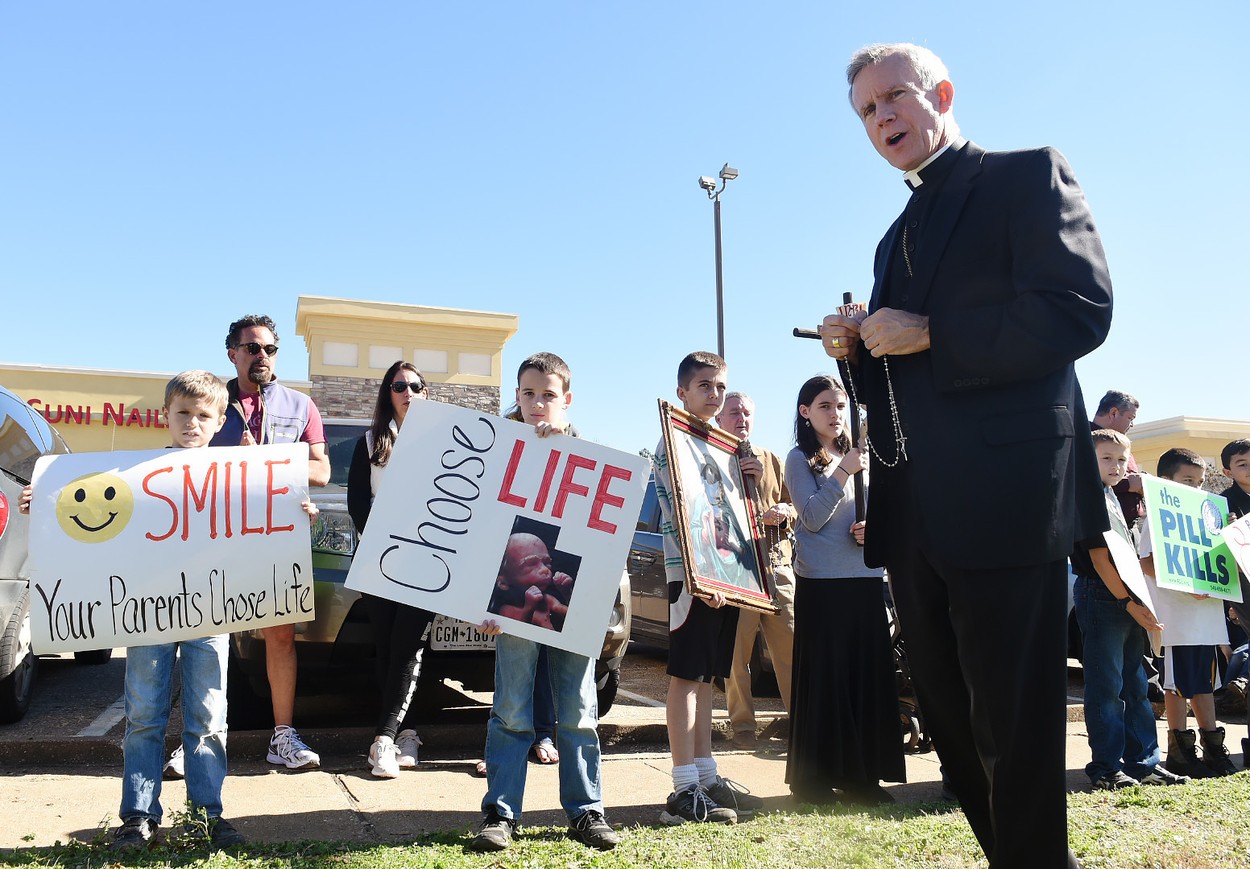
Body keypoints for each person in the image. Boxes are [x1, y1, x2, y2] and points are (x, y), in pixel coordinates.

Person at [820, 43, 1112, 868]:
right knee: (950, 727)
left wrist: (932, 332)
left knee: (1014, 730)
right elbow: (902, 388)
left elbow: (1080, 309)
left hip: (1010, 502)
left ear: (941, 93)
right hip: (914, 517)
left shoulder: (1025, 176)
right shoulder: (892, 237)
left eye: (893, 98)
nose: (882, 120)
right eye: (867, 113)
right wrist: (857, 351)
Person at [20, 372, 312, 850]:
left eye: (203, 416)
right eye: (183, 413)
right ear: (165, 415)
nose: (192, 423)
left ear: (219, 421)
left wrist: (296, 514)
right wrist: (46, 504)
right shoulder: (132, 474)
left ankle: (207, 815)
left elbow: (267, 521)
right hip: (147, 613)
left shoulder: (235, 478)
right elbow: (87, 515)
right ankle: (138, 814)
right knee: (145, 714)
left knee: (209, 715)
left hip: (210, 614)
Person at [470, 352, 619, 852]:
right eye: (529, 393)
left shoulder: (592, 458)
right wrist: (480, 600)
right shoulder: (497, 451)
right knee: (511, 708)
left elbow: (602, 541)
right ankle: (501, 813)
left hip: (571, 605)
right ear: (517, 395)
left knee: (577, 708)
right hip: (510, 606)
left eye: (548, 395)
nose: (538, 404)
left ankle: (586, 811)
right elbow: (480, 530)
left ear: (567, 400)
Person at [212, 314, 331, 770]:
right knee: (210, 636)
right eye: (252, 348)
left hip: (278, 536)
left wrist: (266, 463)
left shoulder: (301, 407)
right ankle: (204, 737)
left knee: (280, 636)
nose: (262, 356)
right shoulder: (210, 400)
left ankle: (282, 737)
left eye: (269, 349)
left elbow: (320, 471)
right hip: (218, 537)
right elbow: (187, 461)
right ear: (233, 353)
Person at [653, 351, 762, 825]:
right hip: (691, 576)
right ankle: (683, 786)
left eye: (720, 386)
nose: (714, 394)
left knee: (705, 678)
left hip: (725, 573)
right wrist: (700, 574)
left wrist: (750, 481)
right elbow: (684, 513)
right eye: (704, 386)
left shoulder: (725, 446)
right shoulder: (674, 441)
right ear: (682, 392)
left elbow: (731, 516)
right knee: (685, 676)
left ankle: (705, 774)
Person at [784, 374, 904, 804]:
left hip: (867, 577)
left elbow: (884, 508)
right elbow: (811, 518)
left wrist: (876, 529)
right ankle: (815, 780)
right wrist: (842, 473)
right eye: (824, 407)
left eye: (839, 406)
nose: (835, 415)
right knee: (828, 680)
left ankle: (863, 776)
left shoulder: (864, 454)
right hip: (823, 583)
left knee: (866, 677)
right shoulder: (800, 458)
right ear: (806, 412)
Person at [1070, 429, 1185, 789]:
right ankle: (1106, 767)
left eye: (1122, 459)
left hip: (1129, 598)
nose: (1116, 466)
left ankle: (1143, 763)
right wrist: (1128, 603)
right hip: (1102, 596)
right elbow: (1099, 559)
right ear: (1088, 458)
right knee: (1106, 686)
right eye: (1106, 458)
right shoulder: (1085, 494)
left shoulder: (1111, 496)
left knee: (1136, 684)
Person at [346, 361, 434, 778]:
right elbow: (358, 505)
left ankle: (383, 736)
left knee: (408, 647)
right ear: (388, 393)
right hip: (379, 563)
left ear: (425, 392)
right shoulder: (369, 442)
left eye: (415, 385)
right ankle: (407, 734)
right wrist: (387, 541)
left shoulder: (446, 441)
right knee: (386, 648)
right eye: (399, 385)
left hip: (426, 563)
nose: (407, 391)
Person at [1139, 448, 1238, 778]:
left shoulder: (1208, 520)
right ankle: (1180, 750)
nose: (1194, 489)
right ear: (1165, 481)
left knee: (1205, 683)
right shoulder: (1156, 519)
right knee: (1177, 684)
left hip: (1205, 618)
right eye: (1186, 481)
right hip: (1176, 617)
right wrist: (1186, 587)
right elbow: (1147, 563)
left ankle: (1212, 746)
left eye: (1198, 482)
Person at [716, 392, 796, 750]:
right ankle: (743, 728)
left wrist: (782, 510)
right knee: (736, 657)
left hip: (777, 568)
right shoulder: (710, 457)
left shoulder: (772, 460)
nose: (741, 418)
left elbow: (794, 506)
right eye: (733, 413)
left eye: (747, 412)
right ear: (720, 419)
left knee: (793, 648)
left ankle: (802, 722)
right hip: (736, 570)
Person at [1218, 438, 1250, 766]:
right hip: (1244, 593)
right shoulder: (1224, 504)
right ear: (1228, 470)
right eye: (1242, 464)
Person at [487, 533, 575, 630]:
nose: (545, 570)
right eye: (531, 564)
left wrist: (566, 592)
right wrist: (529, 608)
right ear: (503, 582)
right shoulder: (506, 610)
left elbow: (573, 616)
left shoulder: (547, 600)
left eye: (547, 563)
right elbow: (519, 635)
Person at [1091, 391, 1145, 531]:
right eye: (1130, 418)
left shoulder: (1122, 443)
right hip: (1104, 529)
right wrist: (1128, 484)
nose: (1132, 424)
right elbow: (1082, 479)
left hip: (1130, 528)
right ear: (1113, 413)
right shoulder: (1084, 440)